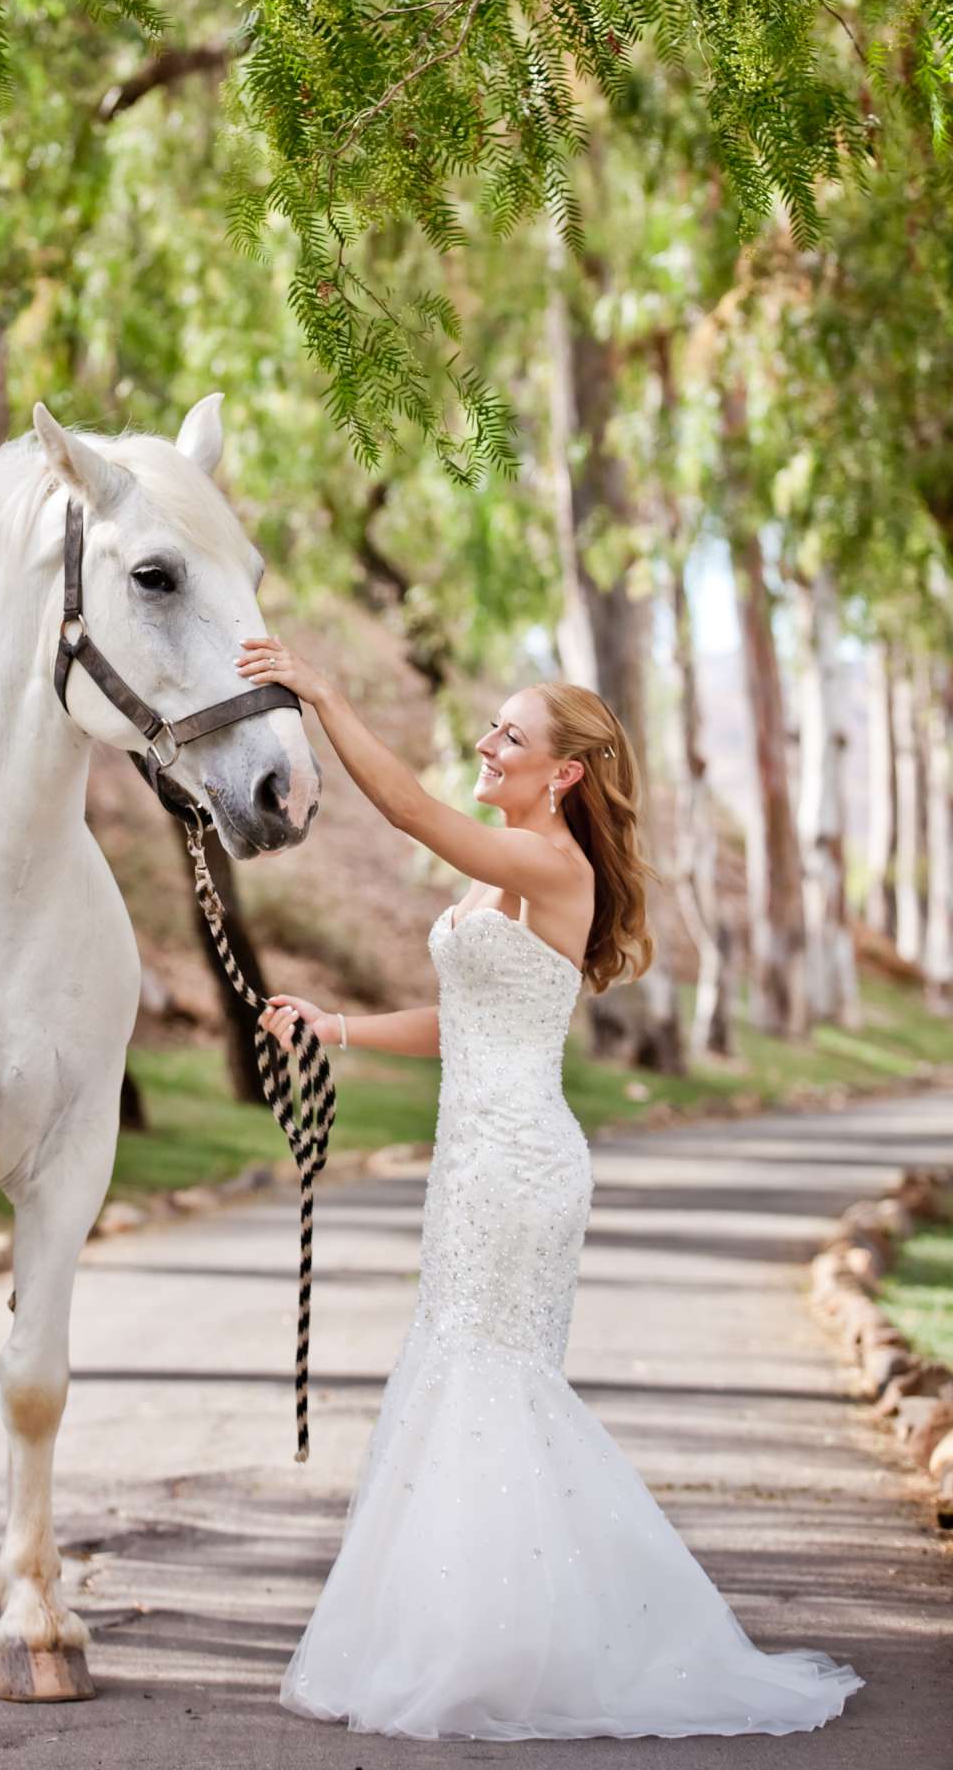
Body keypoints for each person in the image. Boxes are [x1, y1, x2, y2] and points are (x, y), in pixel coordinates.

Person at [234, 635, 864, 1743]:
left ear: (562, 772)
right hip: (478, 1158)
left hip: (516, 1163)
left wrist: (322, 693)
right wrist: (333, 1026)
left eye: (509, 736)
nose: (487, 744)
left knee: (490, 1381)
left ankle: (512, 1650)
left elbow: (414, 816)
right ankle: (476, 1641)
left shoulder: (552, 865)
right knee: (465, 1374)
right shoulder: (503, 874)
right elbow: (466, 1022)